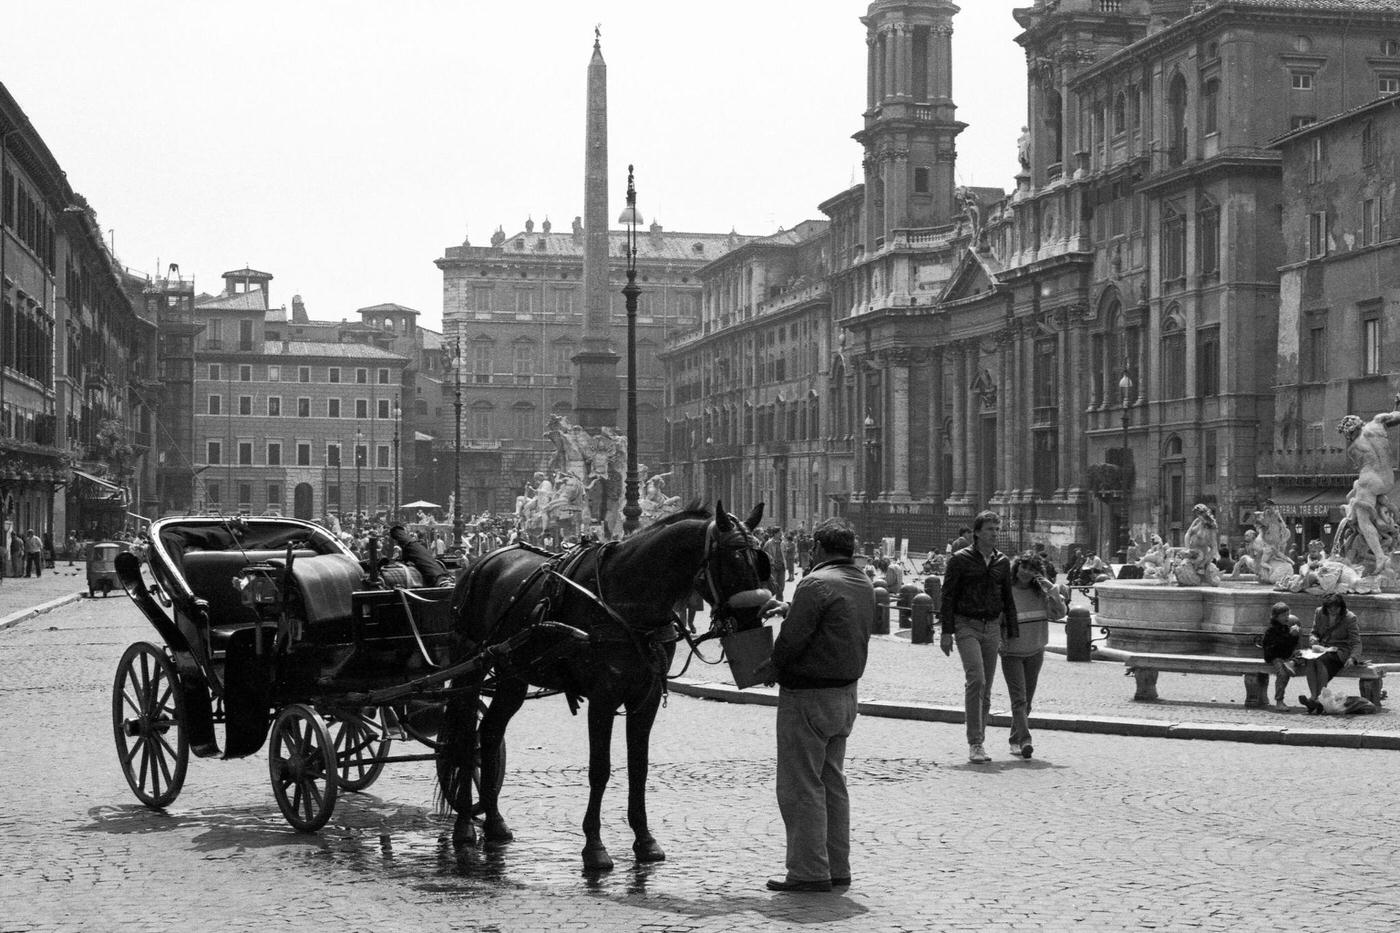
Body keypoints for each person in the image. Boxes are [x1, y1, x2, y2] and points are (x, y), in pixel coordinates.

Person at [754, 517, 873, 893]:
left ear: (818, 549)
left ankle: (808, 871)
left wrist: (772, 666)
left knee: (801, 785)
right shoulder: (862, 581)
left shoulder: (815, 583)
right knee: (832, 782)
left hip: (809, 696)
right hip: (846, 695)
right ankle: (837, 866)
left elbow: (793, 641)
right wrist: (790, 607)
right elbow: (831, 618)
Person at [939, 510, 1017, 764]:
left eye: (997, 529)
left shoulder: (1002, 562)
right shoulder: (960, 560)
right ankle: (974, 742)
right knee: (977, 679)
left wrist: (1010, 632)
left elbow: (1007, 598)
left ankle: (980, 740)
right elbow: (948, 595)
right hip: (966, 624)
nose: (995, 534)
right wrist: (946, 632)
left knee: (987, 686)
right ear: (977, 532)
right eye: (990, 529)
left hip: (992, 626)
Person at [1001, 553, 1066, 759]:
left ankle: (1015, 740)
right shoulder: (1006, 591)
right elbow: (998, 618)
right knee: (1019, 699)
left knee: (1027, 701)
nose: (1026, 572)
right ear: (1016, 567)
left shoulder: (1041, 593)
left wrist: (1053, 591)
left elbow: (1059, 613)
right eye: (1023, 567)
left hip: (1035, 651)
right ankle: (1026, 739)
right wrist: (999, 641)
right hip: (1012, 652)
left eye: (1031, 569)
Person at [1337, 403, 1400, 573]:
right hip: (1388, 478)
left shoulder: (1352, 448)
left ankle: (1380, 556)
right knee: (1355, 493)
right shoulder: (1378, 422)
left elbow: (1363, 467)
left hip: (1370, 480)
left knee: (1362, 517)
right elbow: (1397, 415)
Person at [1298, 593, 1363, 714]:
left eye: (1336, 608)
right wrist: (1313, 638)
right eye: (1330, 608)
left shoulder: (1349, 618)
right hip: (1322, 648)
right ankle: (1314, 697)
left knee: (1321, 660)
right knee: (1309, 659)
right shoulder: (1319, 613)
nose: (1333, 611)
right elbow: (1314, 631)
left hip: (1339, 650)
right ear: (1325, 608)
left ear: (1341, 607)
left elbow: (1356, 642)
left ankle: (1317, 699)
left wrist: (1353, 658)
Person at [1260, 601, 1300, 709]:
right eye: (1283, 615)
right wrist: (1290, 636)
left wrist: (1295, 636)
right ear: (1275, 617)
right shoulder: (1271, 630)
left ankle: (1291, 663)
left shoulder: (1286, 628)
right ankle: (1279, 701)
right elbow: (1277, 647)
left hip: (1286, 656)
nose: (1286, 617)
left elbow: (1291, 646)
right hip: (1275, 657)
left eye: (1287, 614)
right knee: (1282, 674)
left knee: (1302, 656)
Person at [762, 527, 787, 600]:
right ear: (775, 533)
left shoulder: (783, 543)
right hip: (773, 567)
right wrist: (772, 563)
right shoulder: (768, 543)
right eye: (779, 532)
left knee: (781, 587)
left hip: (782, 567)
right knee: (772, 586)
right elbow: (765, 554)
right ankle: (769, 603)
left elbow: (785, 554)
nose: (781, 534)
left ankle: (780, 602)